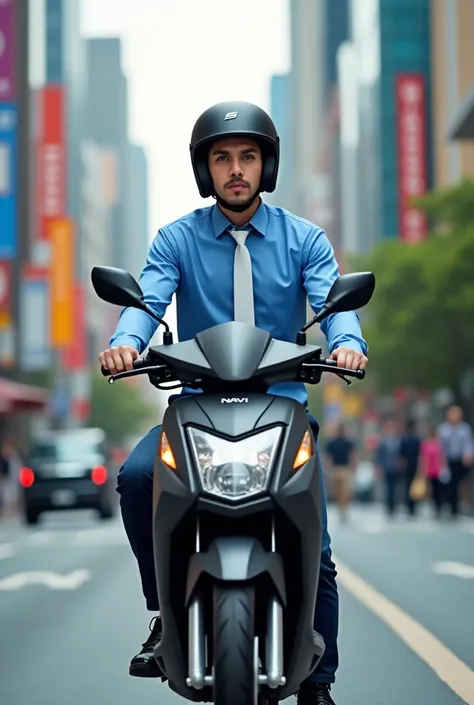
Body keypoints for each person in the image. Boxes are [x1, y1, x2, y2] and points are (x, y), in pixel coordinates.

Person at [99, 101, 368, 705]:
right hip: (196, 405)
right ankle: (163, 613)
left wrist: (348, 344)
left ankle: (318, 687)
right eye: (223, 159)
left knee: (316, 549)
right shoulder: (176, 239)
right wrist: (123, 345)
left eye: (247, 157)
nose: (236, 169)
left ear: (266, 164)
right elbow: (145, 305)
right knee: (137, 476)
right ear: (206, 171)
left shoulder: (304, 240)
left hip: (282, 409)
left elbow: (336, 306)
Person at [437, 405, 474, 517]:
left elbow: (469, 443)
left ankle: (465, 506)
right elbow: (440, 446)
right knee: (450, 485)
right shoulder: (443, 429)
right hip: (448, 460)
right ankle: (451, 508)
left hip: (462, 460)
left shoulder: (465, 428)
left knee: (464, 483)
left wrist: (469, 454)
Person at [324, 423, 356, 522]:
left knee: (344, 491)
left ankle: (343, 509)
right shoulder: (332, 442)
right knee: (337, 491)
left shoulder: (348, 442)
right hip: (336, 468)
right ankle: (341, 508)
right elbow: (328, 456)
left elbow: (352, 455)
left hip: (344, 468)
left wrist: (353, 465)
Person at [375, 419, 401, 517]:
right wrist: (379, 466)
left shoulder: (397, 441)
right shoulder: (383, 441)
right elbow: (379, 455)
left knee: (394, 487)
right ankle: (388, 505)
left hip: (395, 467)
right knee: (387, 487)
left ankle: (394, 505)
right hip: (386, 467)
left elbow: (401, 454)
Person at [419, 426, 446, 518]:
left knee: (440, 489)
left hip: (438, 470)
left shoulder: (439, 443)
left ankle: (440, 506)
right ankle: (435, 508)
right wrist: (422, 470)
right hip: (429, 470)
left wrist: (444, 468)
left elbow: (442, 457)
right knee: (432, 490)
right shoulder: (425, 443)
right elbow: (422, 458)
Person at [398, 419, 421, 517]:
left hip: (408, 465)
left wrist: (401, 464)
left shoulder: (404, 439)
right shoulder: (417, 439)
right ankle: (413, 506)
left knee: (409, 486)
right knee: (414, 486)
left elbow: (401, 455)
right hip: (415, 465)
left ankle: (409, 506)